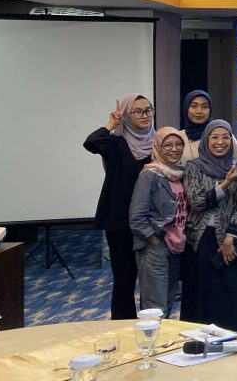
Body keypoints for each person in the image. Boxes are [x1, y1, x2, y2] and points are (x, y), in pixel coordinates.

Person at [84, 94, 155, 319]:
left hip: (150, 221)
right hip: (120, 221)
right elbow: (91, 142)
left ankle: (152, 325)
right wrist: (111, 124)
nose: (145, 115)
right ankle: (123, 326)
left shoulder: (157, 143)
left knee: (152, 278)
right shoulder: (115, 143)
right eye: (137, 111)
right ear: (126, 115)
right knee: (124, 279)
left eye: (148, 110)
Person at [181, 120, 237, 334]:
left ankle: (233, 342)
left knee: (230, 293)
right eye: (215, 137)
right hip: (200, 240)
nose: (220, 142)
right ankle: (197, 341)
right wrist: (226, 183)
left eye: (225, 137)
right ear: (206, 140)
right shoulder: (193, 166)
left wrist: (230, 238)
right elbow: (197, 201)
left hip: (230, 241)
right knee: (201, 292)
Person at [128, 126, 186, 317]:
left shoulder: (180, 174)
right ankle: (151, 337)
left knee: (168, 302)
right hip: (155, 246)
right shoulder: (149, 175)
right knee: (155, 306)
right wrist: (153, 240)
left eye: (178, 144)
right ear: (158, 147)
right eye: (167, 145)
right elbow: (136, 216)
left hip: (176, 246)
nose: (174, 149)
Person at [179, 90, 213, 163]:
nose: (199, 111)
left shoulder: (222, 136)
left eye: (205, 107)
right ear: (186, 109)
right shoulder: (178, 137)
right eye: (194, 106)